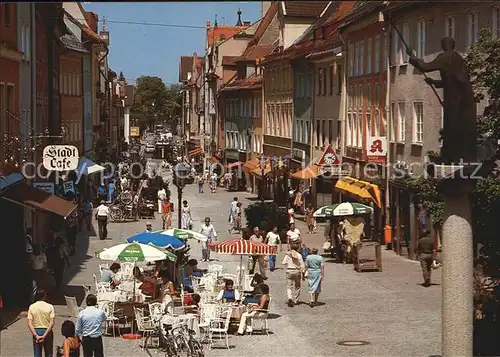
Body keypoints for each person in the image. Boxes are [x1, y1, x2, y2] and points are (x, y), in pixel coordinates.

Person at [27, 289, 55, 357]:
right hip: (47, 331)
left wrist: (36, 335)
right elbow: (52, 323)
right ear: (45, 296)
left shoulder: (32, 307)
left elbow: (29, 323)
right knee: (48, 353)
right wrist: (44, 335)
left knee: (37, 353)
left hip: (36, 331)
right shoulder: (50, 306)